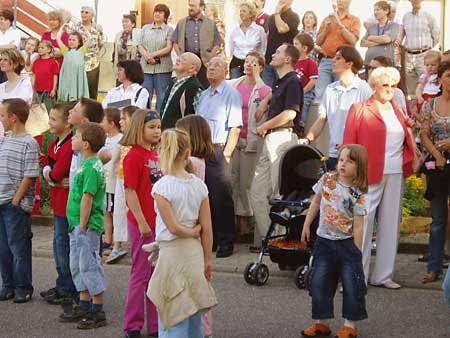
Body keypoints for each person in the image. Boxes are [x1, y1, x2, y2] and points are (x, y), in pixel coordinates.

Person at [343, 67, 415, 288]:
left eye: (394, 85)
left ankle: (383, 275)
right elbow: (349, 143)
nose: (390, 89)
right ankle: (357, 276)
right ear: (374, 86)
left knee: (390, 224)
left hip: (395, 171)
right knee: (362, 226)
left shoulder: (398, 110)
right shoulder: (359, 109)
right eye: (386, 85)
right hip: (367, 173)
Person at [147, 128, 218, 338]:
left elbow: (173, 228)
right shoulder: (199, 186)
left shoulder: (161, 188)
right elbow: (208, 229)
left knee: (172, 312)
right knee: (193, 310)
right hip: (194, 253)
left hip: (172, 255)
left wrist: (190, 231)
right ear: (187, 154)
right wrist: (207, 258)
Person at [300, 145, 368, 338]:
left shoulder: (358, 192)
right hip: (324, 242)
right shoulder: (327, 179)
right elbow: (315, 202)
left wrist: (357, 249)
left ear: (359, 166)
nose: (343, 164)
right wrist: (306, 224)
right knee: (320, 282)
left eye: (349, 161)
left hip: (346, 244)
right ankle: (321, 323)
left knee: (351, 285)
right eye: (341, 160)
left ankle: (350, 325)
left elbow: (359, 224)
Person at [250, 43, 302, 250]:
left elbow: (291, 114)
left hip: (281, 138)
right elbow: (273, 93)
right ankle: (271, 241)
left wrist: (265, 125)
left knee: (277, 193)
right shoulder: (280, 81)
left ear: (288, 59)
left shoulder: (293, 81)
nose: (273, 53)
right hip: (270, 138)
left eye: (278, 52)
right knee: (257, 193)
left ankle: (284, 241)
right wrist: (265, 103)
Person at [59, 122, 106, 329]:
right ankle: (84, 301)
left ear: (85, 144)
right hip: (76, 225)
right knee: (77, 264)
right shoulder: (85, 164)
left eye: (75, 137)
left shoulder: (92, 168)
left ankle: (98, 309)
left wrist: (83, 226)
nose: (72, 140)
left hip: (85, 226)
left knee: (89, 264)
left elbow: (87, 198)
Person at [196, 56, 242, 258]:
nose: (211, 68)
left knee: (221, 196)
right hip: (200, 149)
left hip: (218, 148)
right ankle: (211, 239)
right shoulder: (204, 95)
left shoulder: (231, 94)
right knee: (204, 197)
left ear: (225, 71)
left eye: (216, 66)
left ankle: (226, 241)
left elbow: (235, 127)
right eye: (209, 65)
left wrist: (228, 154)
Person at [121, 109, 161, 337]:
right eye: (152, 127)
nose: (157, 131)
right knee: (140, 274)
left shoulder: (156, 155)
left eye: (158, 126)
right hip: (142, 225)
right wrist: (142, 222)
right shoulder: (134, 156)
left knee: (156, 275)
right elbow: (130, 191)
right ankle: (132, 325)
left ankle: (155, 325)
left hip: (159, 224)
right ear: (140, 129)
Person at [175, 114, 215, 338]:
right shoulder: (201, 162)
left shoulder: (192, 164)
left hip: (190, 225)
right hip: (195, 224)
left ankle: (201, 330)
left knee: (195, 284)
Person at [303, 46, 372, 170]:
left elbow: (369, 123)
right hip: (335, 153)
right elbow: (321, 119)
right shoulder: (330, 89)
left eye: (338, 58)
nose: (333, 60)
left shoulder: (364, 89)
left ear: (349, 64)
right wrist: (308, 139)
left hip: (356, 154)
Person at [228, 52, 271, 242]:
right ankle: (236, 223)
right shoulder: (234, 84)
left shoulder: (263, 88)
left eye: (254, 63)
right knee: (232, 180)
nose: (248, 65)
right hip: (233, 138)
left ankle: (246, 223)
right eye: (247, 61)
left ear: (261, 67)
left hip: (251, 140)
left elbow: (266, 93)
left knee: (246, 183)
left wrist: (257, 77)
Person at [0, 98, 40, 303]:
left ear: (13, 118)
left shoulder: (29, 143)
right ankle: (7, 285)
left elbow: (30, 174)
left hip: (14, 204)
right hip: (1, 200)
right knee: (3, 248)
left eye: (3, 115)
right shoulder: (5, 139)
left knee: (19, 247)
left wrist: (17, 199)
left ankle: (23, 286)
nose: (1, 119)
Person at [40, 103, 76, 305]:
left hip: (65, 204)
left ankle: (67, 286)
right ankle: (62, 281)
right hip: (58, 200)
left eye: (54, 119)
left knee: (62, 246)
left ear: (67, 122)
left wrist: (49, 173)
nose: (50, 123)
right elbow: (46, 164)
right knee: (57, 245)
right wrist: (50, 173)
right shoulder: (56, 142)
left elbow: (54, 172)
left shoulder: (69, 145)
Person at [419, 62, 450, 284]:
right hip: (438, 168)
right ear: (439, 80)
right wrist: (437, 155)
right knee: (438, 219)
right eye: (448, 76)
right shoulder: (429, 106)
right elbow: (424, 134)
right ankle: (434, 267)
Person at [315, 0, 361, 102]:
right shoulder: (327, 19)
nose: (339, 1)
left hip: (343, 62)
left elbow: (353, 41)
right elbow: (318, 41)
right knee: (321, 95)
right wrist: (326, 28)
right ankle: (322, 117)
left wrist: (339, 23)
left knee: (341, 95)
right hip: (326, 60)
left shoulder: (354, 20)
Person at [110, 105, 139, 266]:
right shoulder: (122, 139)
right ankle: (117, 244)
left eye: (123, 118)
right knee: (119, 211)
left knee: (133, 211)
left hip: (133, 181)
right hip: (121, 178)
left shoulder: (138, 139)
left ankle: (136, 245)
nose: (120, 121)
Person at [171, 0, 224, 88]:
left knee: (204, 88)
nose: (190, 8)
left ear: (202, 7)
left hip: (204, 63)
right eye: (189, 6)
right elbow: (175, 41)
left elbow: (217, 43)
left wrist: (210, 57)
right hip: (187, 62)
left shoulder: (210, 23)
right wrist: (181, 56)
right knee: (186, 88)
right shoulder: (182, 23)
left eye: (193, 6)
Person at [400, 0, 440, 98]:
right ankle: (414, 110)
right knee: (411, 89)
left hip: (424, 55)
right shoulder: (405, 17)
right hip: (409, 55)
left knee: (426, 84)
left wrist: (429, 52)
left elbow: (436, 35)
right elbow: (402, 35)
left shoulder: (428, 15)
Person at [138, 4, 174, 111]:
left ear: (165, 16)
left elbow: (168, 47)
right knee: (145, 95)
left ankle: (160, 121)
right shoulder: (145, 28)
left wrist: (153, 55)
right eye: (156, 11)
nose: (157, 14)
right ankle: (144, 120)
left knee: (162, 96)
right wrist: (146, 56)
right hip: (145, 67)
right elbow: (140, 45)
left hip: (163, 68)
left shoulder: (169, 30)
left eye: (160, 12)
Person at [99, 108, 122, 258]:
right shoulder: (106, 139)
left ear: (112, 124)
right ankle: (108, 238)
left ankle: (114, 240)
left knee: (112, 212)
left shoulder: (119, 140)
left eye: (103, 121)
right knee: (106, 211)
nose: (101, 123)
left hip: (112, 182)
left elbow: (112, 161)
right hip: (106, 182)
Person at [160, 52, 203, 129]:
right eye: (179, 57)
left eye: (183, 59)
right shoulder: (172, 82)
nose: (178, 60)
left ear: (192, 68)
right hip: (166, 134)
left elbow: (198, 116)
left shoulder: (194, 88)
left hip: (180, 135)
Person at [262, 0, 299, 86]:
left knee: (280, 92)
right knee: (266, 92)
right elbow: (269, 35)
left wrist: (277, 14)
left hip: (283, 62)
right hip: (269, 60)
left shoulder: (294, 17)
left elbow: (282, 29)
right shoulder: (271, 17)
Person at [73, 6, 104, 100]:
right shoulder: (75, 27)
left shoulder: (97, 27)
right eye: (82, 12)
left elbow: (100, 43)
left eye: (86, 12)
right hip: (77, 61)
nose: (83, 14)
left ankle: (91, 112)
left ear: (92, 15)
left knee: (91, 89)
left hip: (92, 63)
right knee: (77, 88)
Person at [229, 2, 266, 79]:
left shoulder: (259, 30)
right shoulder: (235, 30)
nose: (241, 13)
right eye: (240, 11)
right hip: (237, 63)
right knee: (235, 88)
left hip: (253, 65)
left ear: (251, 14)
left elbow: (263, 49)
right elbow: (231, 48)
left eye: (244, 11)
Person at [360, 1, 400, 71]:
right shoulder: (372, 27)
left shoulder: (394, 26)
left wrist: (371, 38)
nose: (375, 12)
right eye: (374, 10)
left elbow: (387, 39)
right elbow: (362, 43)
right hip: (369, 64)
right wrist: (380, 41)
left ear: (386, 11)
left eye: (378, 10)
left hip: (385, 65)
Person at [57, 23, 90, 102]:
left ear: (79, 42)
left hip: (77, 75)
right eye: (70, 40)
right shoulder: (65, 50)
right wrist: (62, 28)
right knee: (65, 95)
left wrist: (85, 29)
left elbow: (90, 38)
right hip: (67, 75)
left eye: (74, 40)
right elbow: (58, 38)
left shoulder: (81, 50)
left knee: (77, 91)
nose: (71, 41)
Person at [293, 33, 318, 125]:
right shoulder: (293, 62)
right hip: (294, 91)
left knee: (304, 105)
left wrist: (302, 91)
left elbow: (313, 81)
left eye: (296, 44)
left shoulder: (310, 63)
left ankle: (300, 124)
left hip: (306, 92)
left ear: (304, 48)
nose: (293, 46)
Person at [31, 40, 60, 109]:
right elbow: (34, 75)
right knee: (37, 108)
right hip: (37, 90)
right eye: (39, 48)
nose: (40, 49)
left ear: (49, 49)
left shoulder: (53, 62)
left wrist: (53, 89)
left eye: (42, 48)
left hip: (48, 91)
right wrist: (32, 87)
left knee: (48, 108)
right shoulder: (36, 62)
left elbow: (55, 76)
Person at [0, 9, 21, 83]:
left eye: (5, 19)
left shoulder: (16, 33)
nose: (2, 21)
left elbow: (13, 47)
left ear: (10, 21)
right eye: (1, 19)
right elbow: (9, 47)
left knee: (7, 85)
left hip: (9, 63)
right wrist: (7, 46)